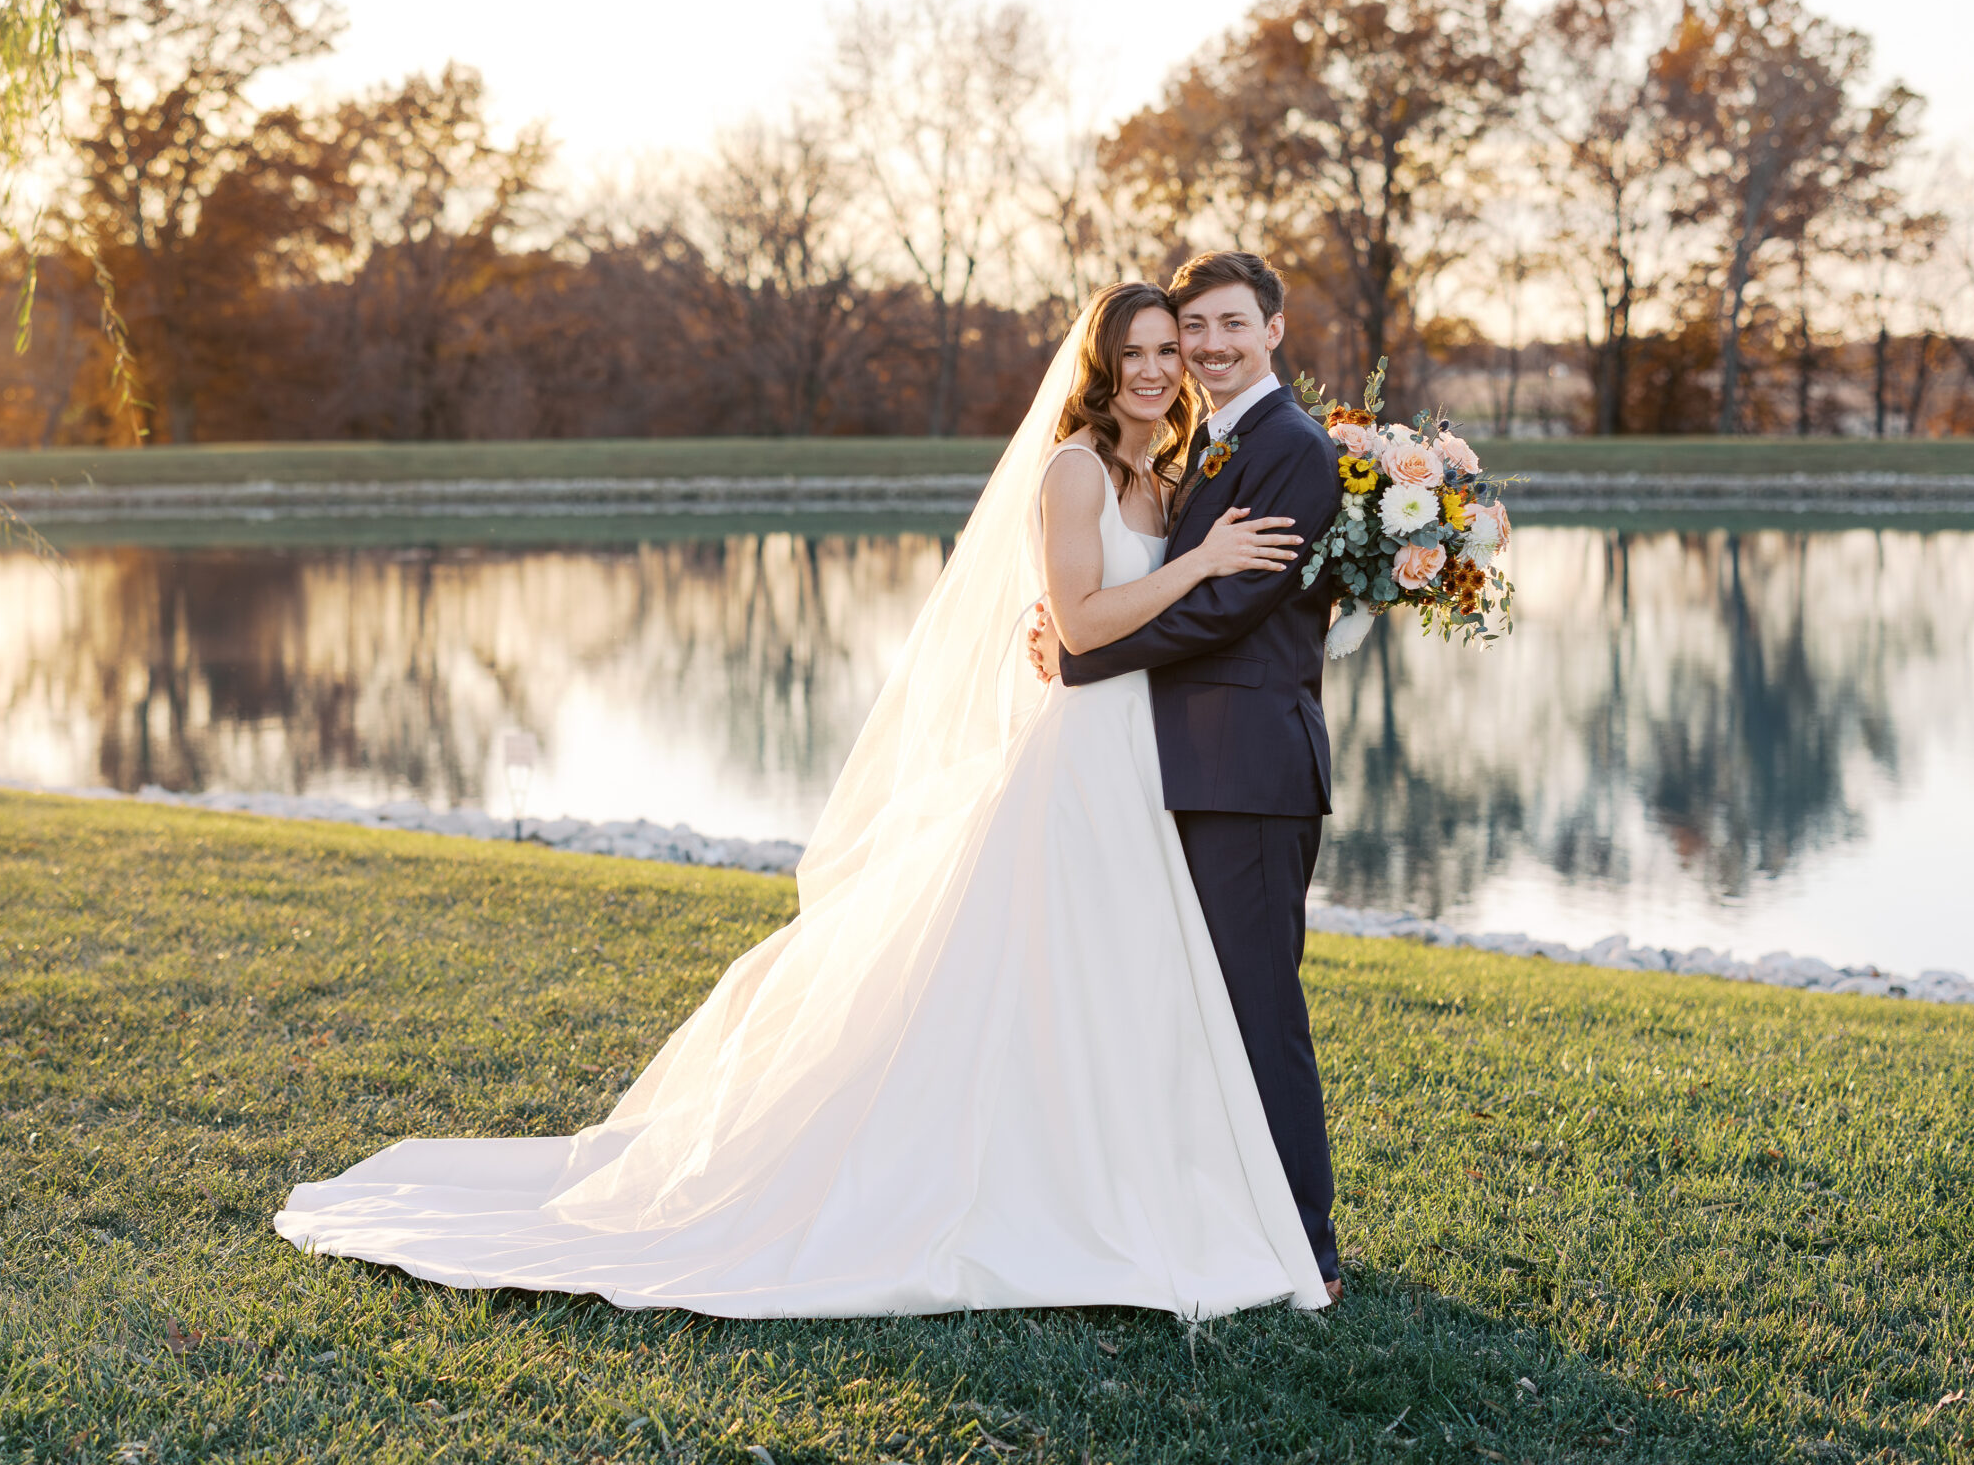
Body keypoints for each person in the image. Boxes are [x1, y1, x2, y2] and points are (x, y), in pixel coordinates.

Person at [274, 280, 1328, 1319]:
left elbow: (1150, 621)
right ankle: (1009, 1194)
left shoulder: (1168, 473)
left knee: (1124, 986)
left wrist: (1197, 564)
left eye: (1169, 349)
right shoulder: (1072, 471)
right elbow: (1087, 627)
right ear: (1100, 366)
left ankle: (1134, 1185)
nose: (1157, 368)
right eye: (1138, 351)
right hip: (1081, 758)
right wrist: (1199, 568)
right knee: (1033, 983)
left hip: (1138, 761)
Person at [1027, 250, 1343, 1299]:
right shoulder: (1192, 451)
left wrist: (1074, 653)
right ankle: (1199, 1207)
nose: (1198, 350)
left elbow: (1222, 610)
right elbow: (1168, 590)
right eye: (1174, 337)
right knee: (1183, 1003)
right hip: (1172, 765)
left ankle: (1306, 1246)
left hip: (1244, 769)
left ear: (1272, 329)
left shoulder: (1290, 447)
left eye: (1217, 329)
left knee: (1258, 1009)